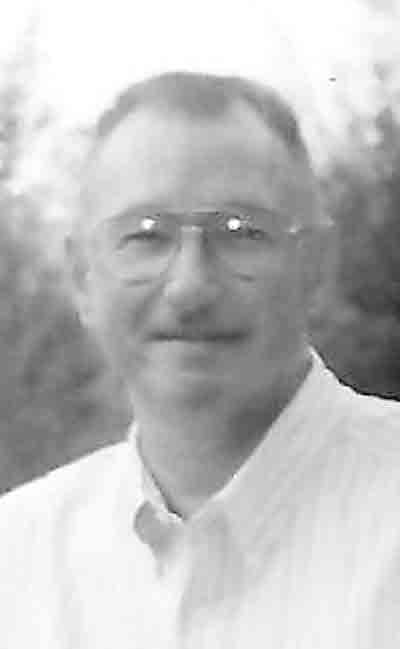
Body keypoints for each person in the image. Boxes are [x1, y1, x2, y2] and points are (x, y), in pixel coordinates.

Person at [1, 71, 400, 649]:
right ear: (83, 277)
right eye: (146, 236)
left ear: (316, 266)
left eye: (241, 233)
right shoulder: (17, 561)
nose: (190, 287)